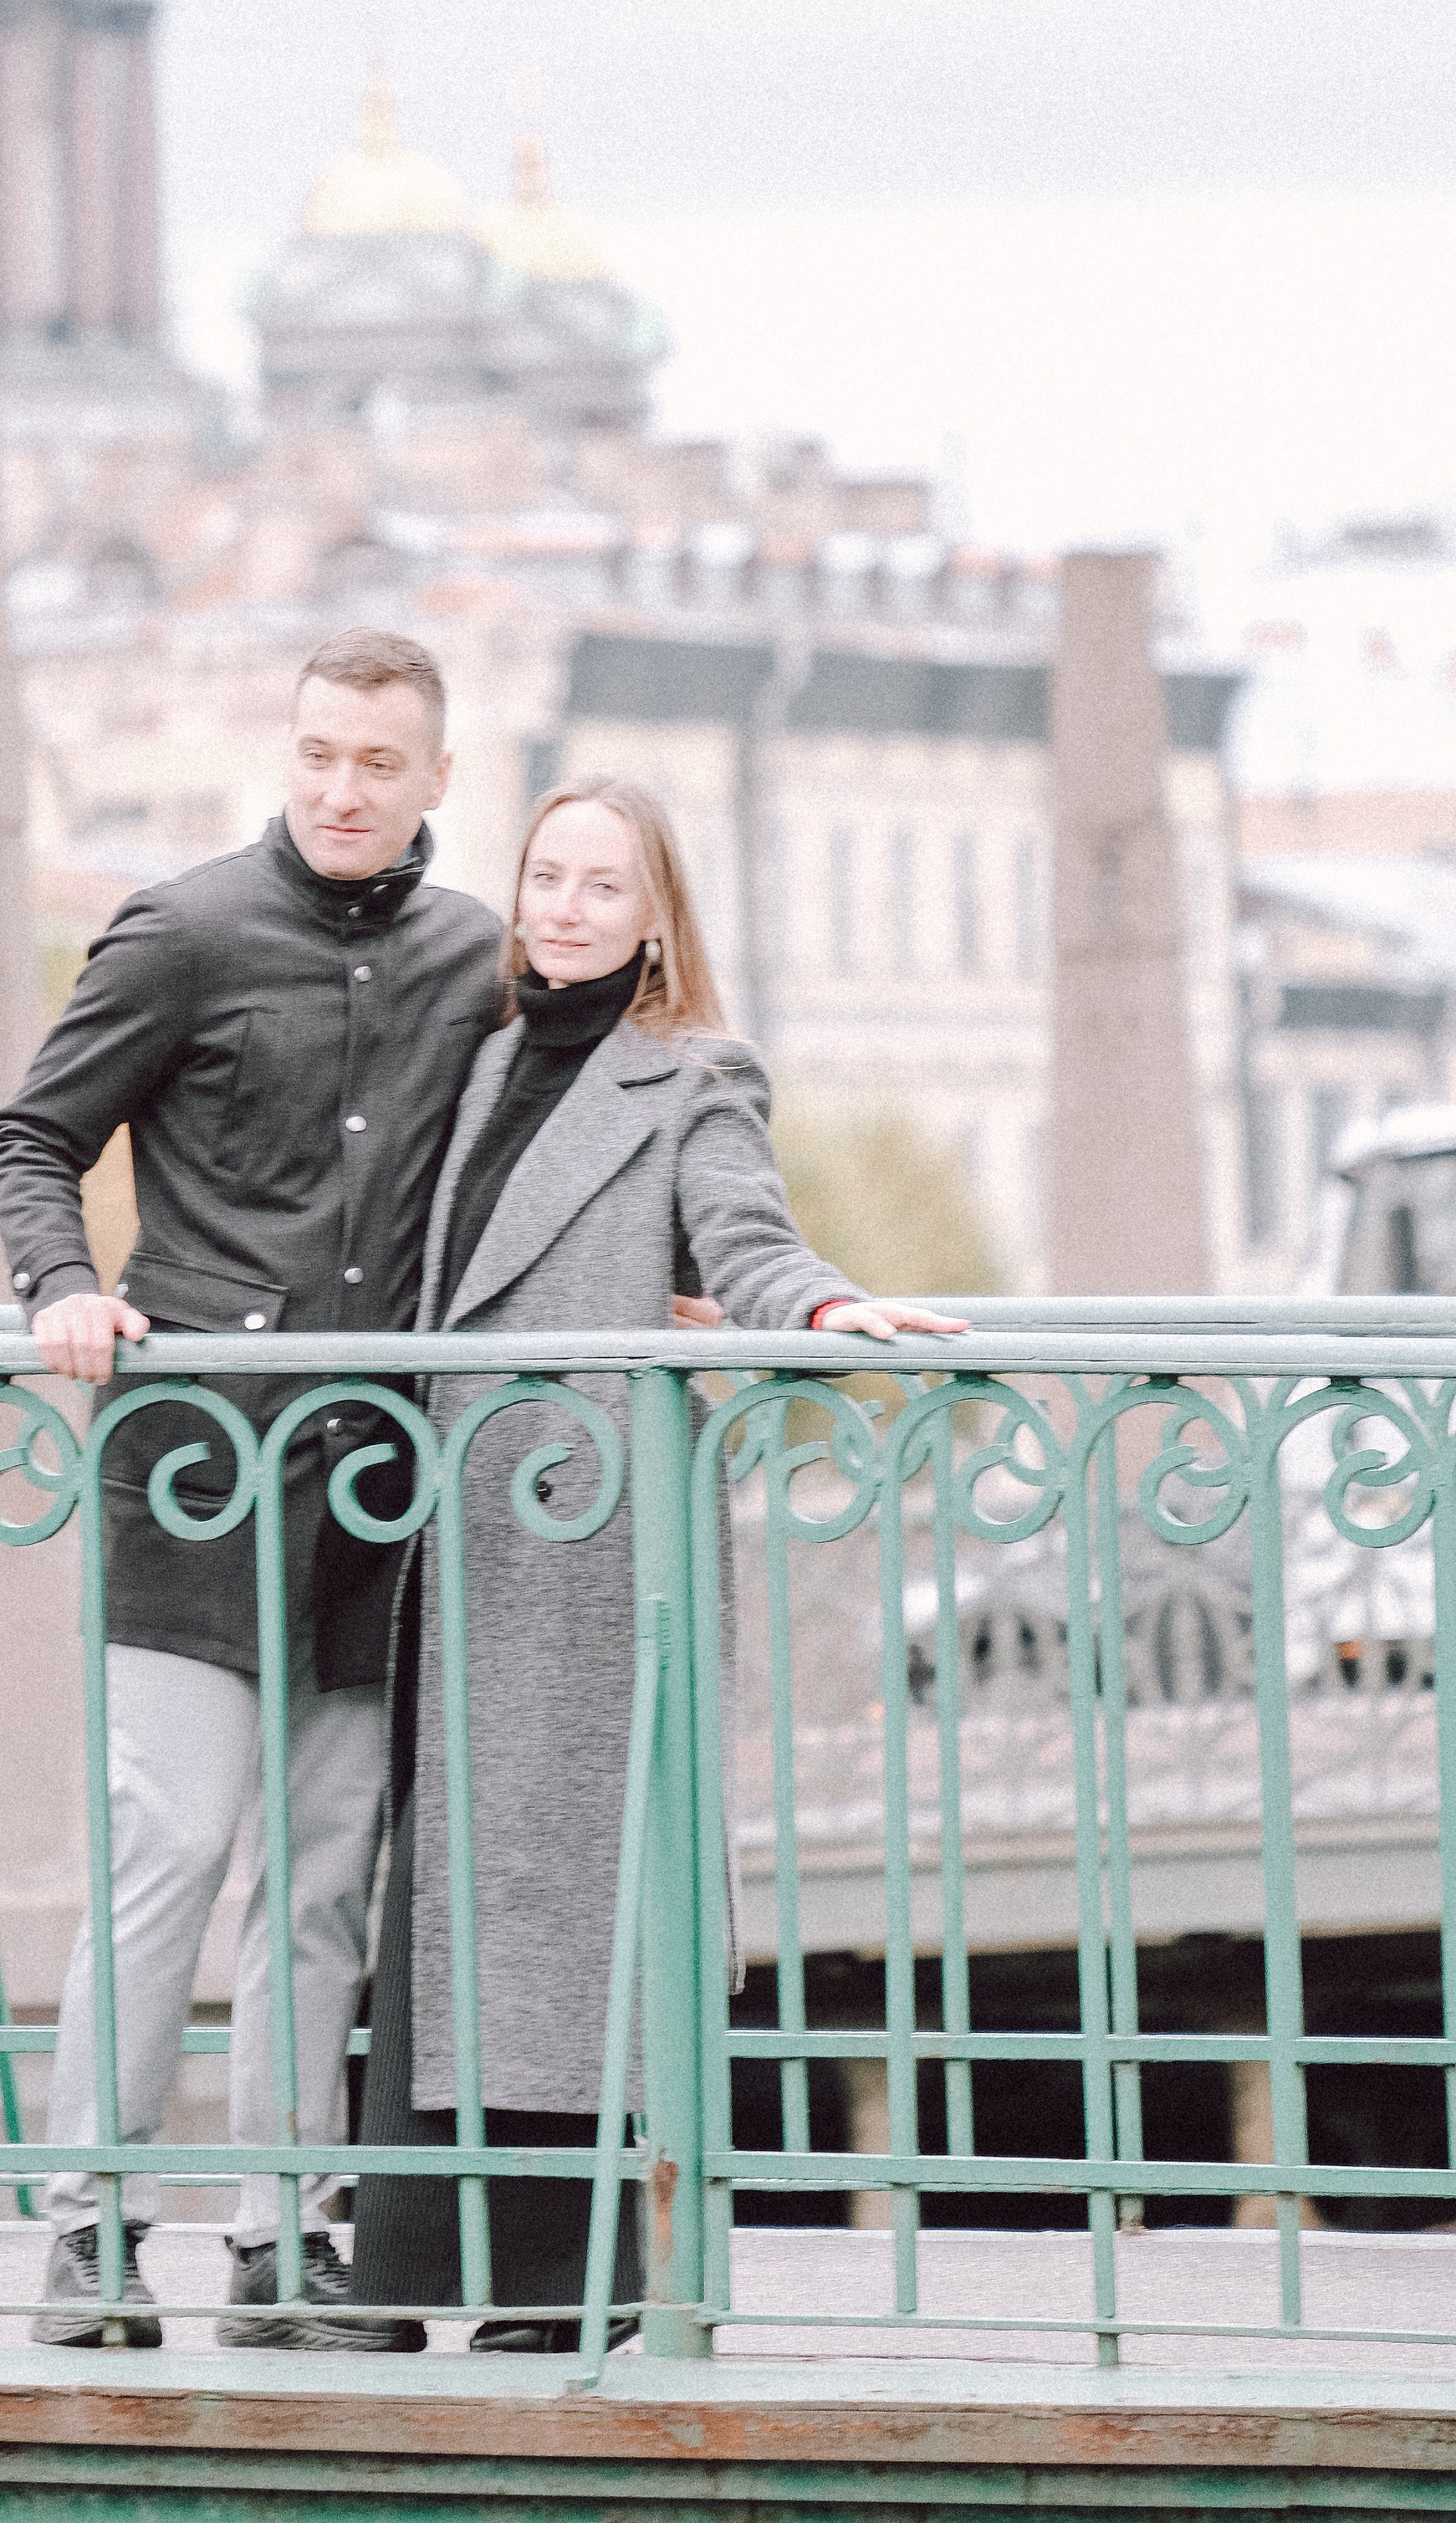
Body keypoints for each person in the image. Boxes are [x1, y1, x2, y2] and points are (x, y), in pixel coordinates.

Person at [348, 775, 967, 2352]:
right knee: (446, 1906)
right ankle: (419, 2265)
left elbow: (744, 1237)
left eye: (601, 886)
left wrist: (821, 1311)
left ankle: (570, 2286)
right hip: (455, 1537)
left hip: (586, 1549)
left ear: (654, 916)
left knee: (571, 1912)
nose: (563, 908)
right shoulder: (477, 1062)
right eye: (545, 877)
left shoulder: (692, 1074)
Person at [0, 628, 504, 2348]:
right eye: (317, 757)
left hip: (372, 1487)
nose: (343, 790)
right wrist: (63, 1284)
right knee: (171, 1848)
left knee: (323, 1876)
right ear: (284, 760)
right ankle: (84, 2236)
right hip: (197, 1474)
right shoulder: (183, 933)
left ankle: (284, 2244)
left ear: (436, 777)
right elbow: (29, 1138)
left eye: (377, 763)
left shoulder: (473, 962)